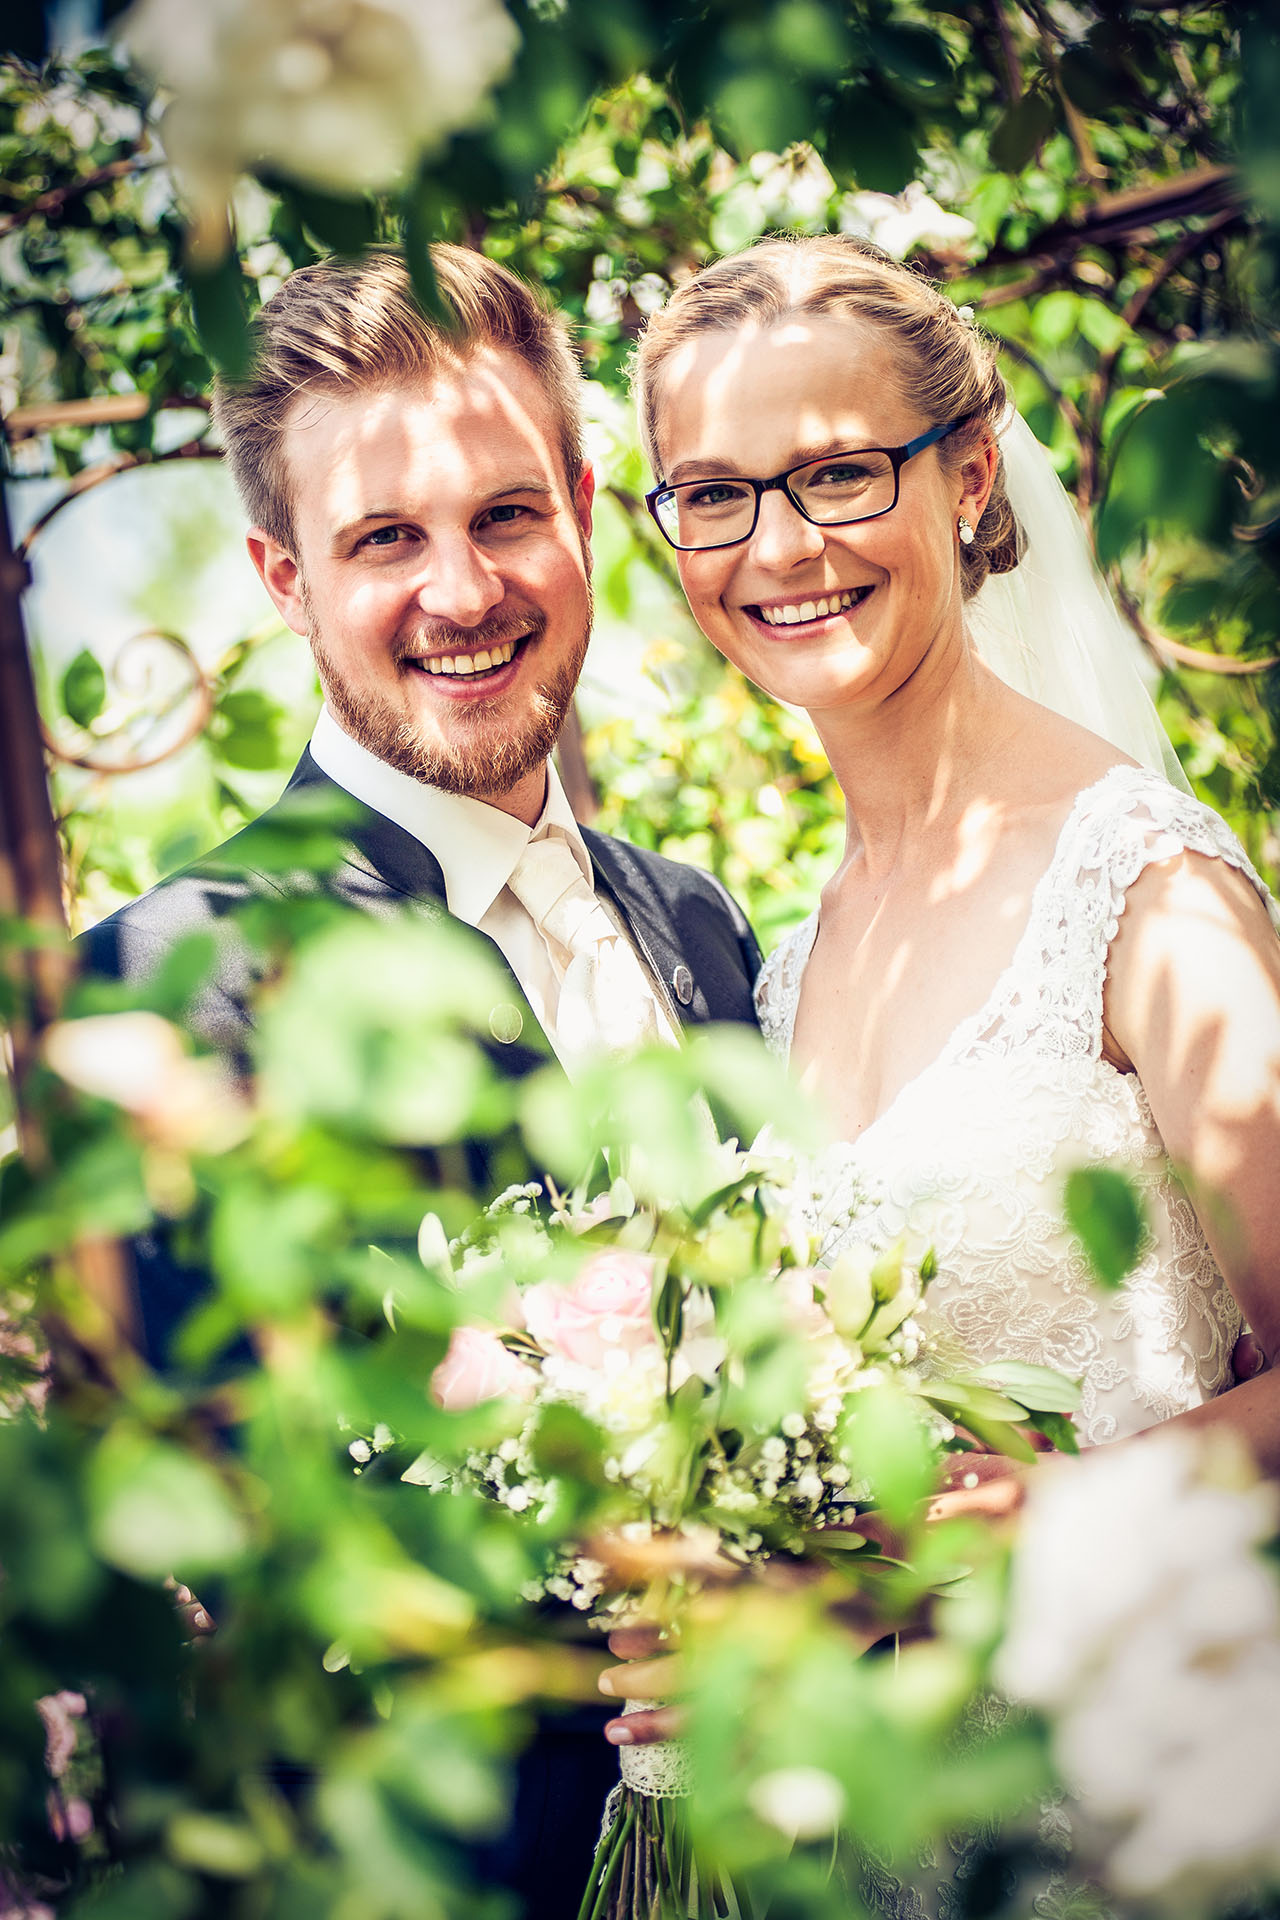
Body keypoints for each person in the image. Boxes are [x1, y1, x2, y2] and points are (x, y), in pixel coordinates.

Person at [76, 242, 762, 1919]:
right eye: (384, 537)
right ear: (284, 577)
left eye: (505, 514)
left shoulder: (706, 927)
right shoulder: (172, 993)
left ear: (582, 513)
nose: (464, 592)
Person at [597, 230, 1280, 1754]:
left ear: (968, 477)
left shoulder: (1146, 892)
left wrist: (1048, 1521)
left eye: (838, 474)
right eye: (713, 494)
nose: (779, 547)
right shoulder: (792, 957)